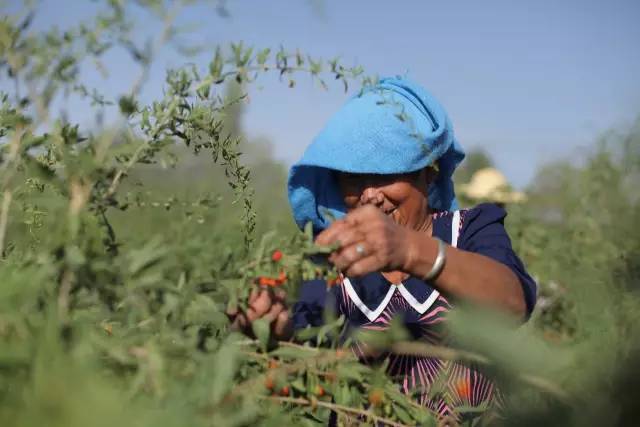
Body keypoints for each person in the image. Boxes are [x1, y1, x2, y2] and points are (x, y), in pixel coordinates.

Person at [227, 77, 537, 419]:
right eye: (353, 179)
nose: (369, 195)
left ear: (429, 172)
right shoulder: (331, 260)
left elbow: (512, 305)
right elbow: (303, 340)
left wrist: (411, 251)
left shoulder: (470, 230)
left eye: (386, 174)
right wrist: (271, 322)